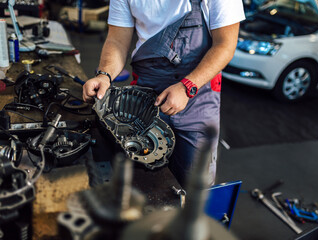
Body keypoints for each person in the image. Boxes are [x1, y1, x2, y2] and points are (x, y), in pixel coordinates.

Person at [83, 0, 245, 187]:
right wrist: (104, 75)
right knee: (143, 181)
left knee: (195, 184)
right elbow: (117, 40)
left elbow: (225, 45)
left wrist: (187, 86)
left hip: (199, 94)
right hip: (146, 97)